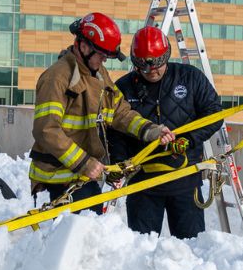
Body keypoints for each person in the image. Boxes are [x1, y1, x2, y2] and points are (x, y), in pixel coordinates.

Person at [30, 12, 174, 210]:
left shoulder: (97, 74)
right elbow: (47, 129)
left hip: (83, 175)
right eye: (102, 55)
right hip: (60, 178)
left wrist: (150, 130)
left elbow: (120, 112)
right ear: (83, 46)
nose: (105, 60)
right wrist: (84, 163)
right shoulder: (57, 77)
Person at [109, 26, 223, 238]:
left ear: (166, 56)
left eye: (157, 64)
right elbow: (116, 131)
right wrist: (119, 162)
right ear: (135, 61)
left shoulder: (190, 78)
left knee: (189, 249)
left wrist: (189, 139)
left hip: (185, 181)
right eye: (144, 65)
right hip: (143, 185)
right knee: (140, 251)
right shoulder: (124, 88)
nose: (152, 71)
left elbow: (214, 113)